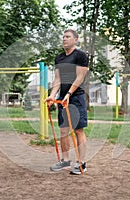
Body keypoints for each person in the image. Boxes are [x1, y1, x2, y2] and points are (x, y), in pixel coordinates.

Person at [45, 29, 89, 175]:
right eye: (63, 37)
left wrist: (69, 93)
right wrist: (52, 95)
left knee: (78, 130)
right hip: (62, 98)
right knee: (64, 131)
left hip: (76, 97)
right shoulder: (59, 58)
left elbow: (80, 77)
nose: (64, 39)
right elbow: (57, 79)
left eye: (68, 37)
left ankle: (81, 163)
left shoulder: (81, 56)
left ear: (75, 39)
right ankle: (65, 160)